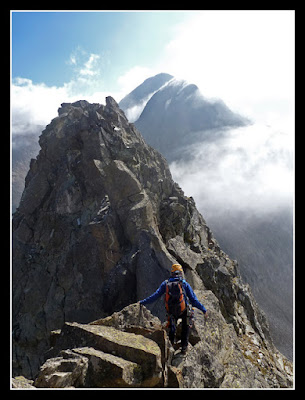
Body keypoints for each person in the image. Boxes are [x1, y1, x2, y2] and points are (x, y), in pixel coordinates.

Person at [139, 264, 207, 353]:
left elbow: (155, 296)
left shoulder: (166, 284)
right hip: (183, 310)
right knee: (186, 323)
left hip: (171, 311)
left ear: (172, 273)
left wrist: (142, 302)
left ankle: (170, 345)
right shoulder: (184, 284)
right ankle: (184, 347)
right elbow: (193, 300)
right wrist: (203, 310)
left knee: (171, 324)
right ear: (180, 273)